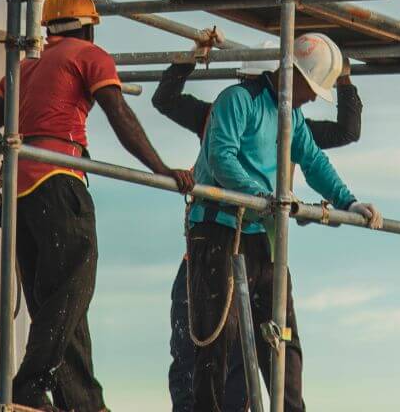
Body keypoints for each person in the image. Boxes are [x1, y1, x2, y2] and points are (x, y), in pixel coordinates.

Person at [0, 0, 196, 412]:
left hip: (20, 193)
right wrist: (161, 169)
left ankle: (83, 402)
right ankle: (29, 385)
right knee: (74, 288)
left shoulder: (23, 70)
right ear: (88, 29)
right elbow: (120, 115)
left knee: (57, 302)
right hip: (59, 180)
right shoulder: (89, 56)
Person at [156, 42, 364, 411]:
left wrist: (348, 201)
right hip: (219, 232)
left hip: (259, 237)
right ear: (295, 75)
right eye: (313, 90)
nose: (314, 100)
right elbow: (221, 156)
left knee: (283, 337)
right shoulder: (237, 101)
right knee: (216, 342)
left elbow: (313, 160)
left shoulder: (291, 117)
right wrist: (261, 197)